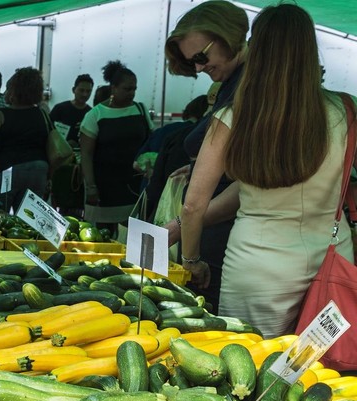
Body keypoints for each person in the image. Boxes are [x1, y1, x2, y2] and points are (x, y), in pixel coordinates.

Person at [178, 4, 354, 337]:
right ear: (308, 49)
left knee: (251, 370)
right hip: (333, 259)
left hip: (257, 265)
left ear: (255, 49)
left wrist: (192, 259)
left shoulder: (233, 116)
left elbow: (193, 204)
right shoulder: (347, 109)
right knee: (323, 374)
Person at [161, 0, 249, 308]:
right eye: (192, 62)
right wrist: (201, 166)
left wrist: (189, 248)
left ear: (228, 36)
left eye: (201, 56)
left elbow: (251, 183)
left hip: (224, 236)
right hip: (214, 230)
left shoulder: (247, 87)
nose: (198, 68)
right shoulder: (232, 82)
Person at [79, 60, 152, 231]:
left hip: (135, 185)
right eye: (127, 89)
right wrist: (90, 187)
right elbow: (86, 155)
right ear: (113, 88)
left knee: (132, 233)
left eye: (134, 89)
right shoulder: (95, 114)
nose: (132, 93)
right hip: (105, 186)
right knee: (105, 232)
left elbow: (150, 143)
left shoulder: (140, 110)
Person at [0, 67, 52, 212]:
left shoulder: (1, 115)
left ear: (13, 91)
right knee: (29, 222)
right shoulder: (43, 115)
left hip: (6, 175)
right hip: (38, 173)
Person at [140, 94, 209, 221]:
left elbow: (138, 163)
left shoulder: (167, 131)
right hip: (187, 209)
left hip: (163, 202)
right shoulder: (203, 137)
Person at [49, 73, 93, 146]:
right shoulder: (59, 109)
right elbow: (48, 133)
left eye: (88, 91)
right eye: (81, 90)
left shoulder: (91, 113)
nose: (85, 94)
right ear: (73, 90)